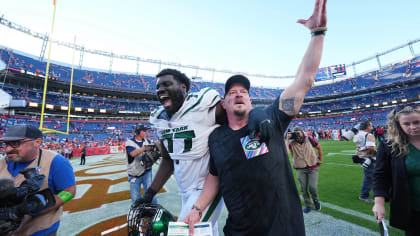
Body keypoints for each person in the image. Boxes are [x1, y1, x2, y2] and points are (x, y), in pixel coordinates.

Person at [182, 0, 327, 234]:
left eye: (244, 92)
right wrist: (197, 209)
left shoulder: (271, 117)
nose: (239, 94)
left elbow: (305, 80)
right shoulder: (216, 137)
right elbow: (214, 177)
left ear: (250, 100)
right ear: (224, 103)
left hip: (282, 228)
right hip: (239, 230)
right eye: (232, 92)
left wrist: (318, 34)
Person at [135, 68, 226, 235]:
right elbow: (168, 160)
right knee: (208, 231)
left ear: (183, 88)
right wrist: (150, 193)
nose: (161, 89)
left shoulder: (201, 106)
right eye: (158, 87)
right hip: (184, 189)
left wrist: (255, 115)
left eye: (167, 84)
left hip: (206, 187)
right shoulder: (160, 119)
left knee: (183, 232)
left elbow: (234, 114)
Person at [0, 124, 76, 235]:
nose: (8, 149)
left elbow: (69, 191)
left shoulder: (56, 162)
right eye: (5, 144)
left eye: (15, 143)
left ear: (37, 142)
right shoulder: (1, 162)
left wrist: (35, 208)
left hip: (41, 231)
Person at [373, 104, 420, 235]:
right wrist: (379, 203)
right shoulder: (390, 146)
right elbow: (381, 175)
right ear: (399, 125)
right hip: (412, 209)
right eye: (407, 124)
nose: (413, 127)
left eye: (417, 122)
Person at [287, 126, 323, 213]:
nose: (297, 135)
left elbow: (319, 147)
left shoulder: (309, 139)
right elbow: (286, 153)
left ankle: (316, 200)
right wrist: (287, 139)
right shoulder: (291, 143)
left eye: (298, 132)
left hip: (313, 167)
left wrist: (320, 159)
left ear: (302, 132)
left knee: (312, 187)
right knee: (303, 188)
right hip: (300, 168)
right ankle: (308, 205)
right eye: (295, 133)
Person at [125, 125, 157, 204]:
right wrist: (145, 148)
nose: (146, 132)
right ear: (138, 132)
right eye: (144, 130)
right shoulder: (130, 142)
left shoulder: (147, 141)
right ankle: (138, 213)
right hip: (134, 174)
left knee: (151, 194)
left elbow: (154, 151)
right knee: (136, 198)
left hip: (147, 172)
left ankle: (154, 210)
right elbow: (132, 153)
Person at [353, 120, 376, 203]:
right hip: (369, 157)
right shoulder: (369, 135)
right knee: (369, 176)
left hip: (362, 157)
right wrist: (376, 156)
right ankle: (364, 195)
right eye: (371, 126)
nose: (372, 127)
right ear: (367, 127)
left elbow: (359, 146)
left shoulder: (358, 134)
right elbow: (371, 147)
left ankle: (377, 192)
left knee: (372, 175)